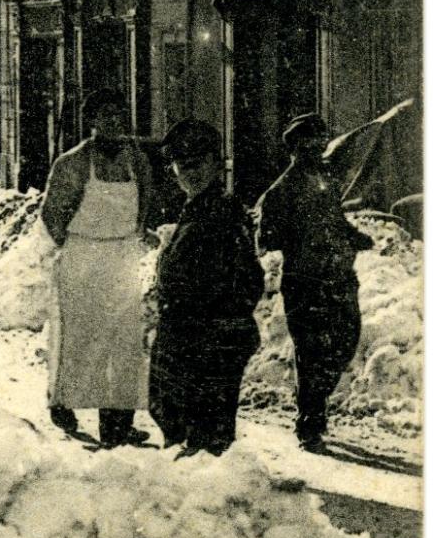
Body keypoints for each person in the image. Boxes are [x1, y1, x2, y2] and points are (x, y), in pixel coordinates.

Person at [254, 111, 374, 452]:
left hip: (337, 276)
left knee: (346, 339)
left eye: (319, 142)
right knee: (311, 351)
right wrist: (300, 240)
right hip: (305, 280)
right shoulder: (281, 190)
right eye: (308, 144)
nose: (316, 149)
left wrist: (354, 236)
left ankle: (314, 404)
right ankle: (310, 422)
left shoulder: (324, 181)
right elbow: (266, 238)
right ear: (294, 149)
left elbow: (335, 220)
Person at [40, 92, 151, 448]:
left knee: (124, 343)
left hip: (123, 257)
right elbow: (52, 214)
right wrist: (78, 246)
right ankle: (63, 403)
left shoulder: (136, 159)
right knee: (80, 340)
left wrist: (136, 231)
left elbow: (146, 199)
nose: (114, 123)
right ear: (92, 121)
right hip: (83, 257)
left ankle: (118, 423)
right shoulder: (72, 163)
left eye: (120, 115)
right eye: (106, 116)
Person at [149, 118, 264, 457]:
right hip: (189, 337)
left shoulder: (223, 212)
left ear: (216, 163)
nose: (190, 173)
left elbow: (247, 280)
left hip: (208, 339)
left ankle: (207, 499)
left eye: (199, 164)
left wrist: (212, 319)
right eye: (182, 166)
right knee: (184, 423)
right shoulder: (195, 209)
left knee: (204, 434)